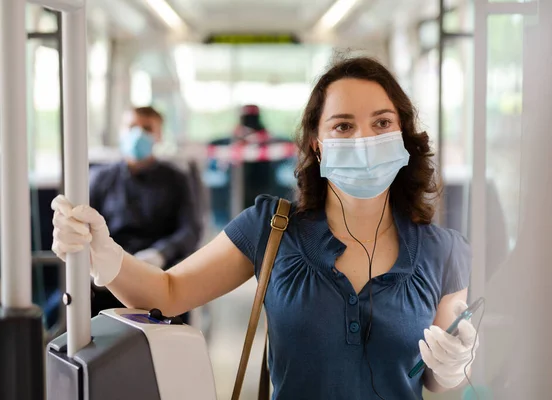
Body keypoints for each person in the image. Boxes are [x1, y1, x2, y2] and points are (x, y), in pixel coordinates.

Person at [51, 57, 478, 399]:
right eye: (343, 125)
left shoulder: (444, 251)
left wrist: (454, 365)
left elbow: (437, 380)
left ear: (402, 133)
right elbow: (167, 292)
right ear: (317, 141)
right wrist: (104, 255)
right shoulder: (271, 228)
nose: (364, 139)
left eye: (382, 123)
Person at [86, 106, 201, 317]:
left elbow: (190, 230)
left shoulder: (176, 179)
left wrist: (159, 253)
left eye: (147, 128)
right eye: (132, 127)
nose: (138, 134)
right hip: (106, 278)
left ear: (159, 136)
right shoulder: (99, 179)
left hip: (159, 275)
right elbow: (85, 227)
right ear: (121, 131)